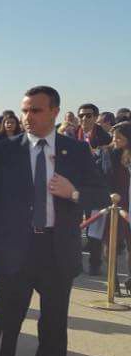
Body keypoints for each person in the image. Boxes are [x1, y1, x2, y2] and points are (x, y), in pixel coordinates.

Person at [0, 86, 107, 356]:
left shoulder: (75, 151)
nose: (26, 117)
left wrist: (73, 192)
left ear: (54, 112)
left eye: (35, 110)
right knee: (4, 323)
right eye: (24, 110)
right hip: (13, 251)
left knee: (53, 328)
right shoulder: (6, 150)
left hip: (56, 251)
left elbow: (102, 194)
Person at [76, 103, 112, 275]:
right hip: (75, 189)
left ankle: (95, 264)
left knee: (94, 231)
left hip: (97, 191)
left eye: (88, 115)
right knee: (73, 227)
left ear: (96, 117)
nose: (84, 119)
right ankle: (75, 262)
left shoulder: (106, 138)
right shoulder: (73, 134)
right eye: (81, 115)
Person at [101, 122, 131, 293]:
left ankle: (130, 280)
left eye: (120, 138)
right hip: (115, 203)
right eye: (114, 137)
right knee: (110, 241)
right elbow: (104, 176)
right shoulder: (108, 153)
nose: (115, 140)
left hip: (129, 200)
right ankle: (113, 281)